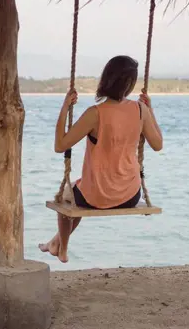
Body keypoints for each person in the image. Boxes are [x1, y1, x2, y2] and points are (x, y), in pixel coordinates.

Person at [40, 55, 163, 264]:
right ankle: (55, 243)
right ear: (130, 84)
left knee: (67, 198)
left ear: (106, 79)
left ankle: (62, 249)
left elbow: (60, 145)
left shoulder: (94, 114)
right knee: (78, 191)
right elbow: (158, 144)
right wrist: (150, 110)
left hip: (96, 196)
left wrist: (64, 108)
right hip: (130, 194)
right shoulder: (140, 110)